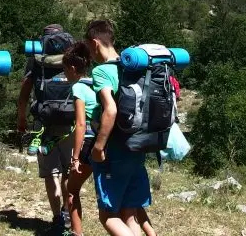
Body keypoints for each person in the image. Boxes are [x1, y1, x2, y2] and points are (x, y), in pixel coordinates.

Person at [86, 20, 157, 236]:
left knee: (108, 216)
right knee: (129, 213)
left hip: (114, 152)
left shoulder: (102, 71)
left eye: (89, 48)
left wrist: (98, 147)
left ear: (95, 43)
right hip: (137, 148)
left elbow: (111, 110)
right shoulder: (135, 68)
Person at [17, 24, 77, 235]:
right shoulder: (72, 58)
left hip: (43, 122)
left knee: (51, 173)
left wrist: (22, 118)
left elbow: (25, 92)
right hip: (71, 122)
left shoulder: (37, 60)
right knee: (69, 169)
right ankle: (68, 212)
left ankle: (57, 218)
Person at [62, 41, 97, 236]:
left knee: (71, 189)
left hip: (89, 144)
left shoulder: (78, 89)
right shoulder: (95, 83)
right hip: (105, 142)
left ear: (73, 69)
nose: (64, 75)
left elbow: (81, 125)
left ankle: (77, 233)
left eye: (65, 70)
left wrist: (75, 158)